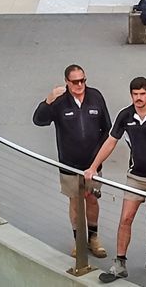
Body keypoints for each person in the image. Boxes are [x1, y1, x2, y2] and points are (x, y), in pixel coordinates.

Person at [82, 77, 146, 282]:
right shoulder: (125, 116)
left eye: (142, 94)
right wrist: (92, 167)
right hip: (135, 178)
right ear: (131, 95)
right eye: (135, 94)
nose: (139, 98)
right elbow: (110, 142)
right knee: (125, 219)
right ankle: (119, 263)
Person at [32, 64, 112, 258]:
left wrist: (97, 157)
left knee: (92, 200)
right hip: (69, 165)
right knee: (75, 202)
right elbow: (39, 120)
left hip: (93, 165)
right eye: (75, 81)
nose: (80, 85)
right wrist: (48, 100)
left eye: (83, 80)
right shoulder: (60, 101)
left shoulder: (96, 96)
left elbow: (107, 128)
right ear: (67, 82)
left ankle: (93, 238)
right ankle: (78, 241)